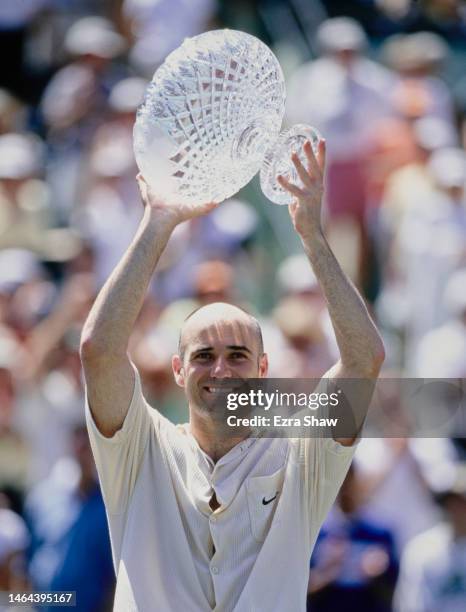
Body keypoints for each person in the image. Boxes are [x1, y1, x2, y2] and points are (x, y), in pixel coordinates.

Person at [80, 140, 385, 611]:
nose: (220, 370)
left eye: (237, 356)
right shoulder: (141, 449)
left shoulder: (301, 455)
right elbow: (99, 351)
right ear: (178, 370)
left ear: (263, 371)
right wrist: (157, 224)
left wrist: (312, 237)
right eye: (203, 356)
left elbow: (364, 361)